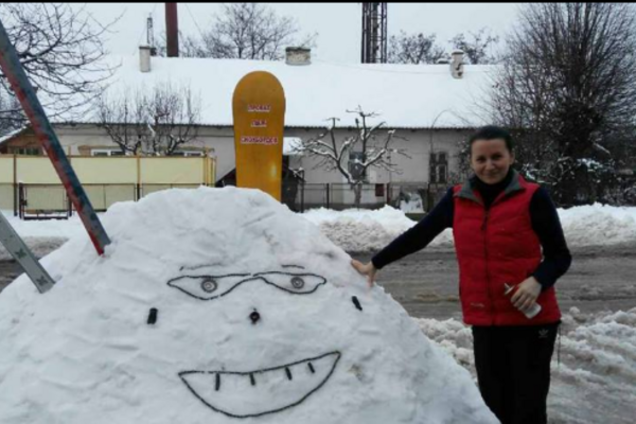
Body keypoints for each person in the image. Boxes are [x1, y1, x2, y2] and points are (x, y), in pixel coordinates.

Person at [351, 125, 571, 424]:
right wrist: (375, 263)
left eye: (497, 157)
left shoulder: (533, 197)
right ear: (471, 161)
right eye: (481, 159)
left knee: (528, 409)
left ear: (511, 156)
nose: (489, 165)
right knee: (493, 406)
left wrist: (537, 281)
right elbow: (421, 234)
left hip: (532, 322)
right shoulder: (457, 199)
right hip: (485, 320)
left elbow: (560, 256)